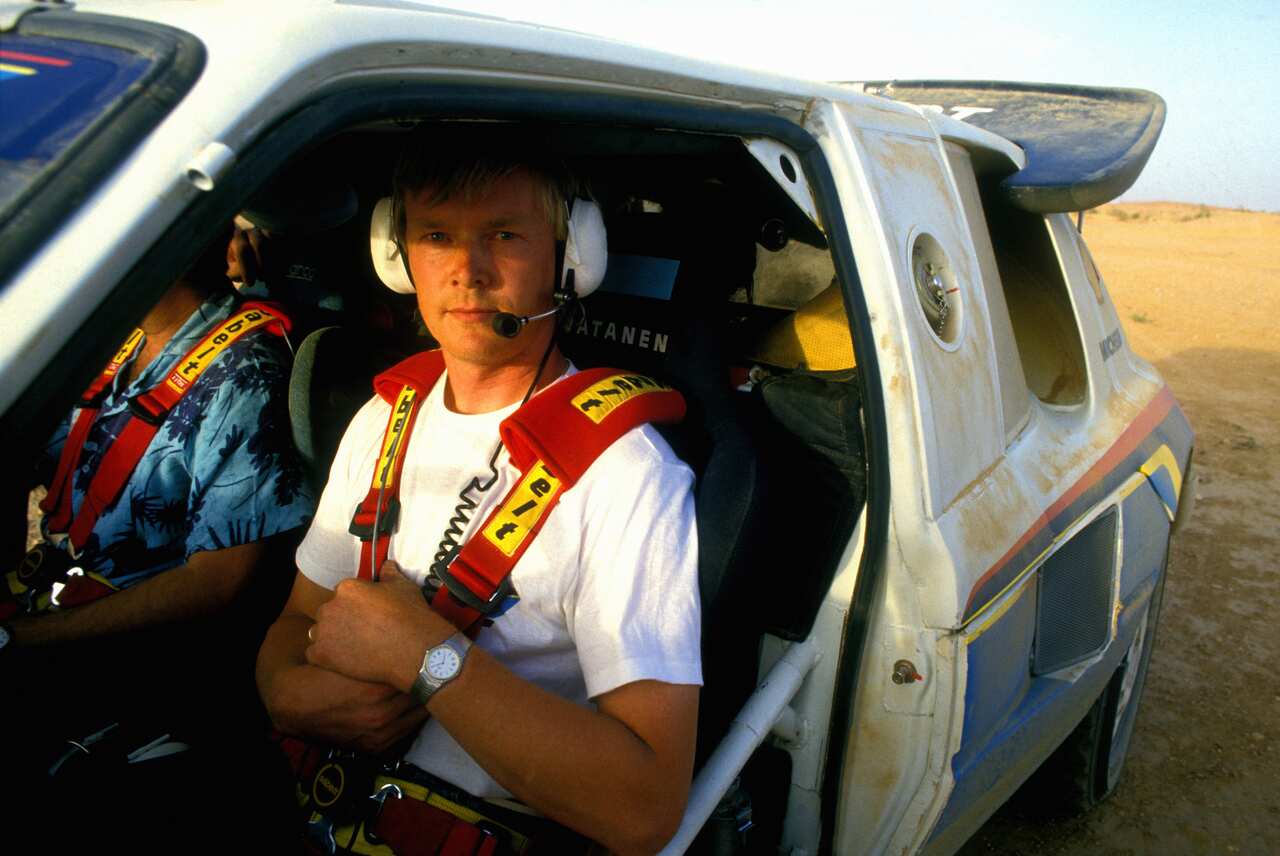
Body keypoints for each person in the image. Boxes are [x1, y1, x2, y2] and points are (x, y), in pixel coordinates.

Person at [256, 131, 702, 854]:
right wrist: (282, 689)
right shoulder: (385, 416)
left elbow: (643, 810)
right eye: (437, 236)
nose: (468, 271)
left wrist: (428, 659)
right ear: (397, 257)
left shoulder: (627, 473)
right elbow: (293, 622)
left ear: (570, 258)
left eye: (504, 235)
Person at [0, 232, 315, 804]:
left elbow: (218, 583)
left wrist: (26, 640)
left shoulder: (242, 375)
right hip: (53, 604)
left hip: (133, 665)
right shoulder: (122, 343)